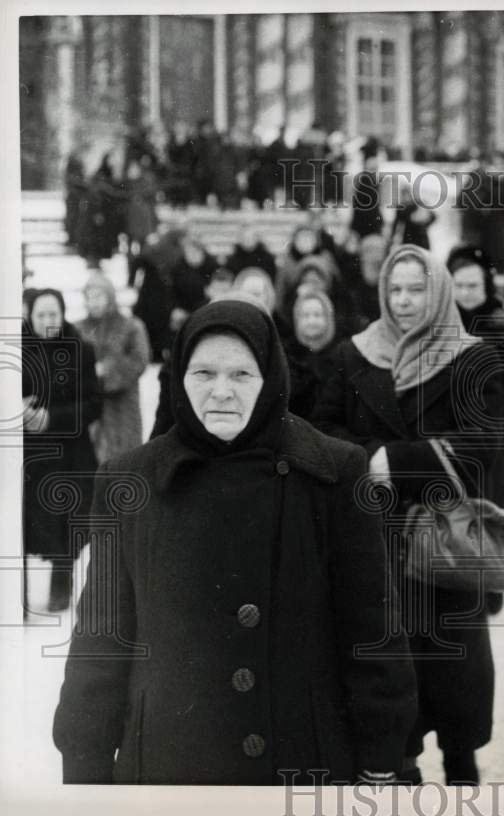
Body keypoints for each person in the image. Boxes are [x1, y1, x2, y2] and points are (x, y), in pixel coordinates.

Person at [52, 298, 417, 784]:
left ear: (269, 379)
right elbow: (100, 643)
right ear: (179, 377)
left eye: (241, 375)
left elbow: (371, 633)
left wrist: (381, 762)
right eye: (203, 373)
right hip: (169, 771)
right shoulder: (130, 482)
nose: (221, 392)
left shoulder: (333, 473)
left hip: (302, 766)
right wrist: (86, 772)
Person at [311, 244, 504, 785]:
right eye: (395, 290)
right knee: (389, 688)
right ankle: (403, 776)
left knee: (456, 688)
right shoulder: (355, 355)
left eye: (416, 289)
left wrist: (394, 461)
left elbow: (481, 446)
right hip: (375, 543)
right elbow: (324, 428)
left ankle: (463, 773)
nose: (404, 301)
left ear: (437, 289)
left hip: (444, 549)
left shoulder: (472, 357)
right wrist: (364, 464)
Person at [22, 288, 101, 612]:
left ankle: (61, 586)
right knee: (25, 523)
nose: (48, 321)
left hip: (71, 454)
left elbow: (94, 404)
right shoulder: (17, 350)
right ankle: (17, 594)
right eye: (41, 314)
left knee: (69, 522)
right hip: (31, 456)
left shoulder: (81, 350)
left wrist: (52, 418)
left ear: (64, 313)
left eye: (53, 313)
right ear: (30, 316)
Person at [447, 244, 504, 518]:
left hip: (503, 426)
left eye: (472, 286)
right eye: (458, 286)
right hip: (457, 426)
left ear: (485, 286)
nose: (465, 293)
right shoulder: (444, 323)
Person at [77, 272, 152, 463]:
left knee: (124, 460)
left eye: (99, 296)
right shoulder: (78, 329)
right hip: (89, 403)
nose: (94, 302)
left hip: (122, 406)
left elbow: (140, 360)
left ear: (110, 297)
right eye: (90, 297)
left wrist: (107, 370)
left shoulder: (131, 326)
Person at [285, 290, 342, 418]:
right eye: (305, 315)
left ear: (328, 318)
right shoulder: (289, 354)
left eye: (317, 315)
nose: (311, 321)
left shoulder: (340, 354)